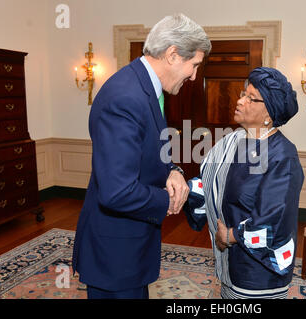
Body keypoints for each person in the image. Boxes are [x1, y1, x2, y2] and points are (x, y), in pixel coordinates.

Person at [72, 13, 211, 299]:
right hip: (115, 256)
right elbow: (117, 192)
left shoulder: (145, 88)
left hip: (130, 249)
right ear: (173, 54)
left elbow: (147, 149)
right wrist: (172, 202)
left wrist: (173, 170)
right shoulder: (126, 97)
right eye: (194, 65)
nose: (194, 76)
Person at [184, 67, 304, 299]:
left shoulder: (283, 155)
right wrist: (179, 189)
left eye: (251, 98)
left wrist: (230, 236)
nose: (240, 101)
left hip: (258, 272)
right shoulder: (233, 141)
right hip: (230, 260)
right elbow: (208, 180)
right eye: (243, 93)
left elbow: (275, 219)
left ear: (269, 112)